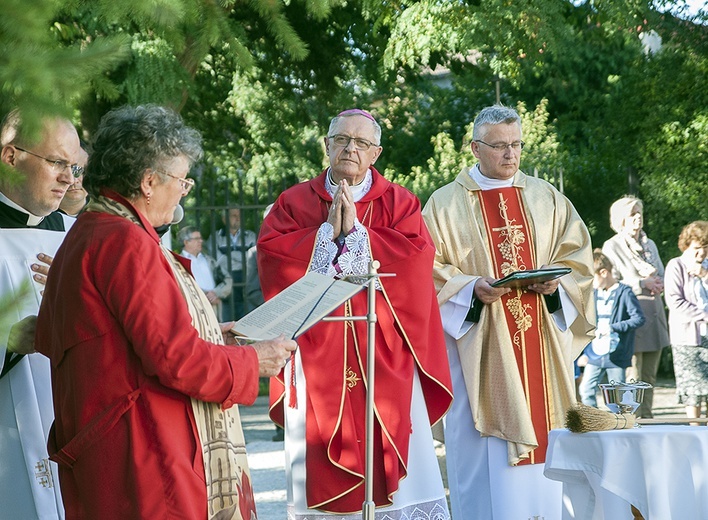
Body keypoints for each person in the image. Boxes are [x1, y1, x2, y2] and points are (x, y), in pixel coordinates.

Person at [35, 104, 296, 520]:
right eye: (181, 180)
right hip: (144, 455)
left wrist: (215, 339)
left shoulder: (91, 230)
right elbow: (175, 359)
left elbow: (124, 340)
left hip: (113, 450)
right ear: (149, 182)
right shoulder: (126, 242)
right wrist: (252, 361)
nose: (185, 190)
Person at [257, 108, 453, 518]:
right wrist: (324, 237)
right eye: (342, 139)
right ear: (326, 145)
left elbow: (417, 263)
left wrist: (360, 237)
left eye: (361, 142)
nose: (350, 148)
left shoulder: (399, 202)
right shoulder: (293, 202)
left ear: (376, 153)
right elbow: (274, 257)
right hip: (315, 351)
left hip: (384, 351)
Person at [421, 104, 595, 520]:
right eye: (499, 146)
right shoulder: (444, 205)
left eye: (516, 144)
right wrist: (469, 289)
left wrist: (556, 285)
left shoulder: (547, 197)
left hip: (540, 345)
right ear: (475, 148)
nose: (510, 155)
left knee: (547, 446)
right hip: (480, 348)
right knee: (483, 463)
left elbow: (578, 261)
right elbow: (424, 267)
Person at [0, 108, 84, 519]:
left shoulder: (78, 236)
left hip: (75, 429)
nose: (69, 177)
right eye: (56, 162)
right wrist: (7, 344)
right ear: (11, 157)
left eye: (73, 166)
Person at [602, 196, 670, 418]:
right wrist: (642, 282)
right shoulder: (611, 246)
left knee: (650, 377)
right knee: (633, 375)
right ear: (621, 219)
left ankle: (648, 420)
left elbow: (659, 270)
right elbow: (612, 280)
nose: (638, 218)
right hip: (632, 313)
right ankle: (631, 422)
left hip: (654, 311)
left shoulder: (649, 244)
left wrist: (658, 282)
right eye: (632, 214)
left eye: (639, 213)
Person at [578, 250, 645, 407]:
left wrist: (613, 327)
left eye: (592, 277)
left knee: (616, 397)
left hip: (616, 354)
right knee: (586, 390)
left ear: (603, 272)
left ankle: (617, 426)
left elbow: (639, 319)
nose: (590, 282)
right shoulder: (594, 293)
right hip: (594, 352)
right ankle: (593, 424)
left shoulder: (624, 292)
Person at [664, 221, 708, 422]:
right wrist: (704, 315)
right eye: (698, 248)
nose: (702, 253)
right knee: (693, 393)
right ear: (687, 245)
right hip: (687, 339)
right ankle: (695, 432)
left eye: (706, 248)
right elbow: (674, 302)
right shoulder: (676, 265)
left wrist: (704, 275)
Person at [179, 225, 233, 321]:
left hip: (214, 308)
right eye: (196, 238)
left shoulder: (209, 260)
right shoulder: (178, 262)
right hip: (193, 310)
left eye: (200, 238)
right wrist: (205, 297)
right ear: (186, 242)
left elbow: (227, 279)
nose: (201, 241)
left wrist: (216, 293)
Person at [216, 208, 256, 320]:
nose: (238, 218)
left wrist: (230, 255)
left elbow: (253, 258)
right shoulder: (216, 237)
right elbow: (217, 260)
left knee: (246, 315)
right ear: (224, 219)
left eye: (239, 215)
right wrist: (242, 256)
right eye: (234, 215)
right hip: (225, 279)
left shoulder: (250, 236)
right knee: (228, 316)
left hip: (246, 277)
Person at [57, 144, 89, 216]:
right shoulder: (37, 217)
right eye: (65, 170)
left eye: (82, 171)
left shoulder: (106, 217)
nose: (74, 180)